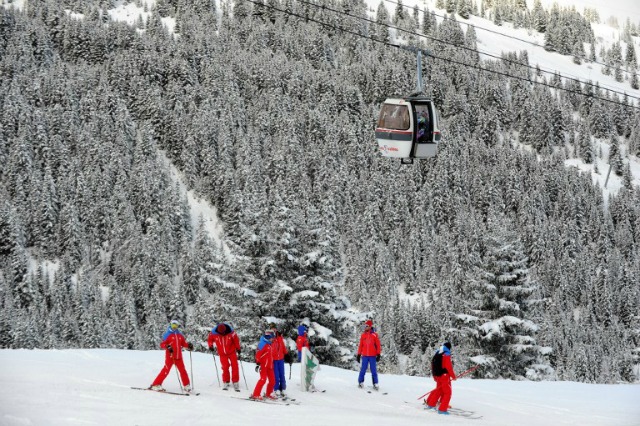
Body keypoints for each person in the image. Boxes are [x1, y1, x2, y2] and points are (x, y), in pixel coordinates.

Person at [150, 320, 194, 392]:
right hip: (170, 356)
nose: (174, 327)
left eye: (176, 326)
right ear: (170, 325)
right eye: (173, 325)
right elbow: (162, 344)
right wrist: (168, 346)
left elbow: (183, 344)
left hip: (179, 357)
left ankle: (186, 385)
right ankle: (156, 384)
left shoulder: (180, 335)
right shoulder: (168, 335)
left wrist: (188, 346)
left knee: (183, 371)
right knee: (166, 370)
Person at [207, 322, 242, 391]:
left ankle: (235, 381)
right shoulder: (214, 333)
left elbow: (236, 340)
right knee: (225, 367)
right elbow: (210, 339)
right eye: (221, 333)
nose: (223, 334)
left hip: (232, 352)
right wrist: (210, 345)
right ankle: (226, 381)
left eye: (223, 332)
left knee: (235, 366)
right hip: (222, 353)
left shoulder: (231, 332)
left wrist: (238, 348)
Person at [425, 342, 457, 415]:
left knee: (439, 390)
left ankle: (431, 404)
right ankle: (442, 409)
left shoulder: (437, 353)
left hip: (438, 376)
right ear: (449, 348)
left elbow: (432, 365)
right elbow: (448, 367)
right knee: (447, 393)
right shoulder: (446, 354)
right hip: (444, 376)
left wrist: (434, 376)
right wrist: (453, 376)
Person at [251, 329, 277, 400]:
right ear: (268, 337)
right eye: (272, 337)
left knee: (272, 381)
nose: (273, 339)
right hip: (263, 366)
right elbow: (258, 354)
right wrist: (258, 363)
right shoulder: (262, 344)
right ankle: (255, 394)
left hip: (269, 366)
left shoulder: (269, 344)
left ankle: (268, 394)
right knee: (263, 379)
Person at [356, 319, 382, 390]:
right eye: (365, 326)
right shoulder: (363, 335)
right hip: (364, 356)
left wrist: (378, 354)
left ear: (370, 326)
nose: (365, 327)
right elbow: (360, 345)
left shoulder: (374, 335)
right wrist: (358, 354)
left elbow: (378, 345)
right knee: (363, 369)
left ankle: (375, 383)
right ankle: (360, 382)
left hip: (372, 356)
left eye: (367, 326)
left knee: (373, 370)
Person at [269, 323, 288, 397]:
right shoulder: (269, 338)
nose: (273, 330)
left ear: (276, 329)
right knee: (276, 375)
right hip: (274, 360)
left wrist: (286, 354)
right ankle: (276, 389)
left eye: (274, 328)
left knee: (282, 374)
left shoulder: (280, 337)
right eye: (272, 328)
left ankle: (283, 388)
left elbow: (282, 346)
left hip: (281, 359)